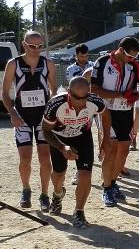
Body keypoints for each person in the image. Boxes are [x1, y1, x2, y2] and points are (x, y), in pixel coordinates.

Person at [42, 77, 110, 227]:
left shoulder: (95, 101)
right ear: (68, 92)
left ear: (89, 93)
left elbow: (106, 116)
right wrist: (62, 147)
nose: (80, 101)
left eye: (84, 97)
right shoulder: (55, 103)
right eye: (76, 97)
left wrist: (105, 140)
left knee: (85, 174)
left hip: (82, 137)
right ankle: (58, 195)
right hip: (58, 138)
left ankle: (79, 211)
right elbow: (45, 131)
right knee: (59, 173)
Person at [1, 30, 56, 211]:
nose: (36, 49)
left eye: (40, 46)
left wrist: (53, 114)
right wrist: (13, 113)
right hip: (22, 117)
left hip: (43, 118)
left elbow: (53, 91)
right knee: (25, 158)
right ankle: (26, 189)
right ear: (24, 44)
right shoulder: (13, 64)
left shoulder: (48, 64)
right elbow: (5, 93)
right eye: (32, 46)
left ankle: (45, 195)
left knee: (44, 158)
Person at [90, 37, 139, 207]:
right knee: (111, 149)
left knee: (124, 150)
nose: (133, 59)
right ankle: (107, 188)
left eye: (135, 56)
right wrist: (121, 94)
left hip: (125, 111)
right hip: (106, 111)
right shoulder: (102, 62)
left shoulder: (135, 65)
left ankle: (112, 182)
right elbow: (94, 90)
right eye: (130, 56)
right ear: (121, 51)